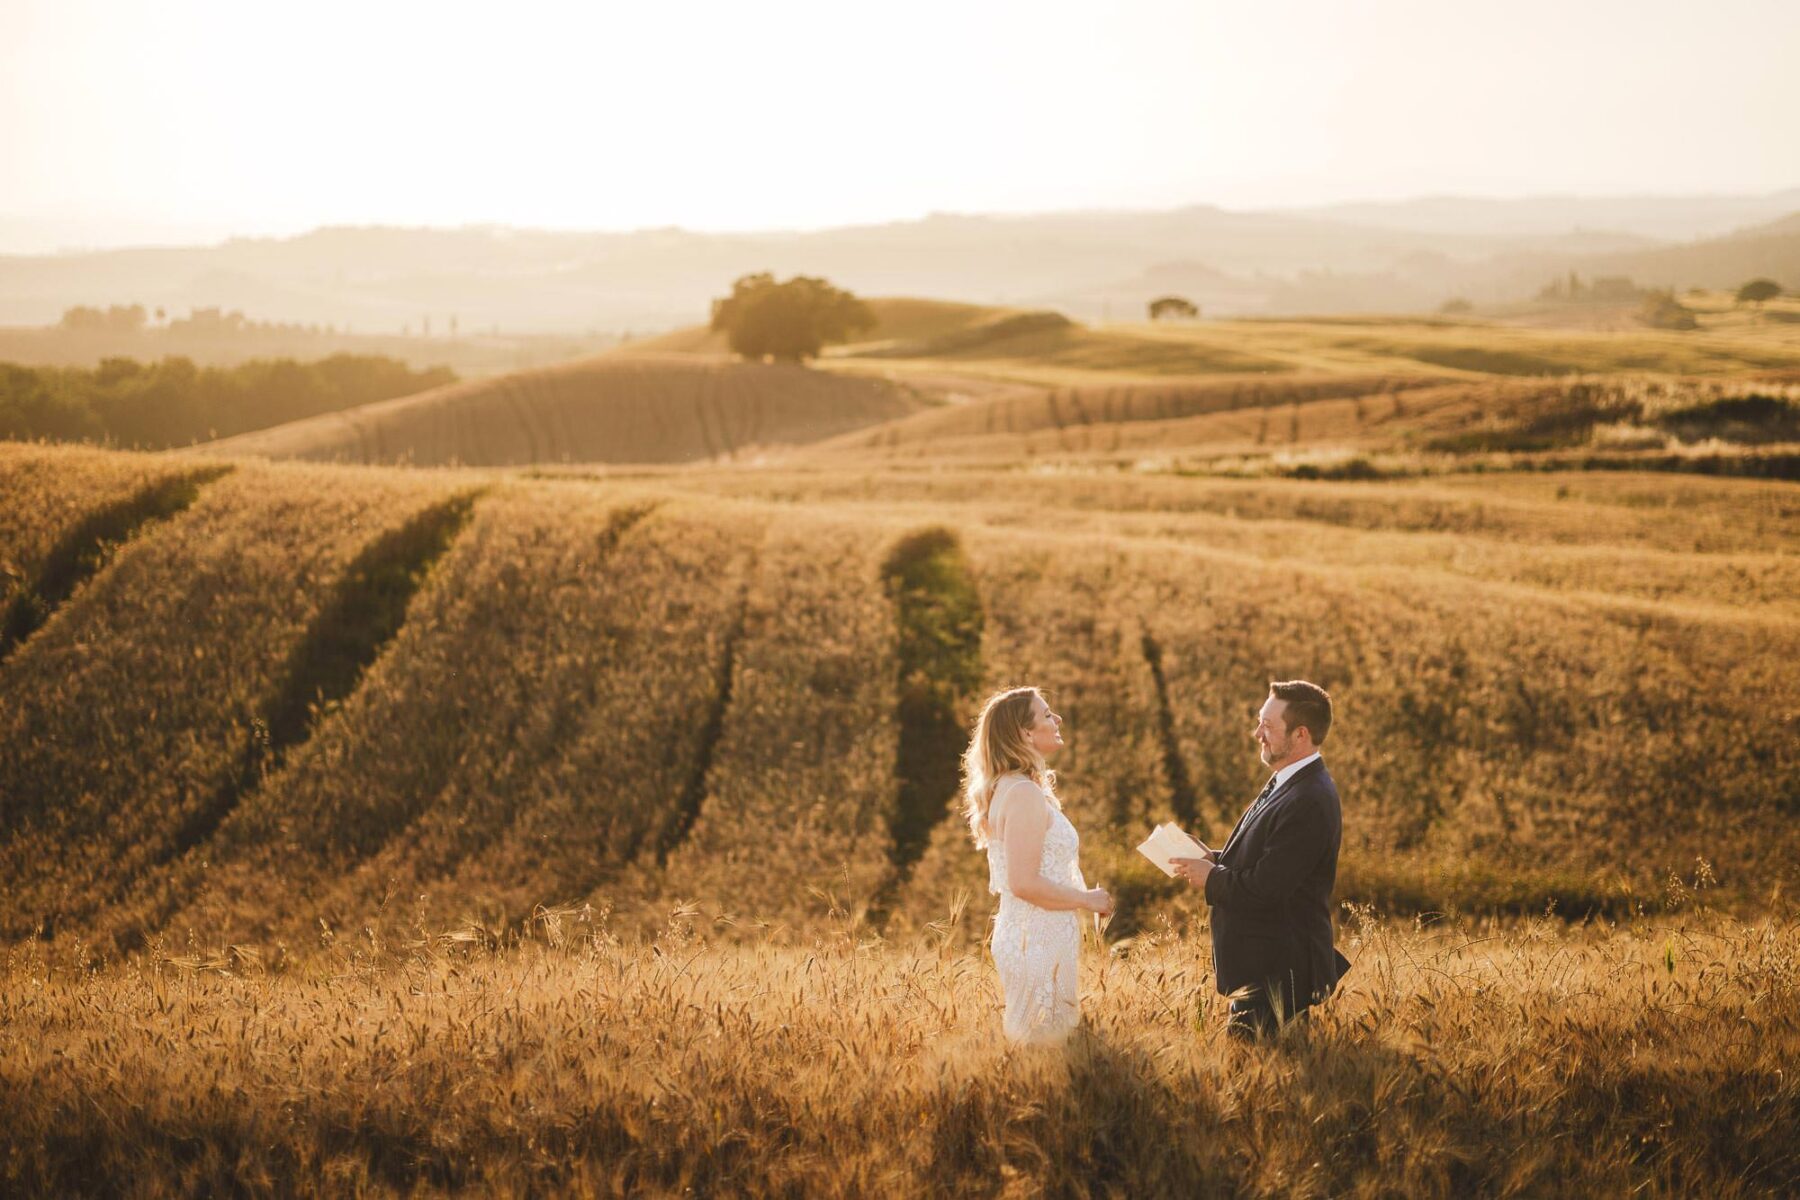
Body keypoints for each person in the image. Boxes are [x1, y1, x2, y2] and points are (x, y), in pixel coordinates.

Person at [1173, 680, 1351, 1042]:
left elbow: (1267, 889)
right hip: (1261, 969)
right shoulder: (1289, 782)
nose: (1258, 734)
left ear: (1301, 734)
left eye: (1268, 726)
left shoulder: (1308, 798)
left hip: (1277, 973)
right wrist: (1214, 857)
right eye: (1260, 722)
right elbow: (1270, 861)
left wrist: (1211, 877)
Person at [963, 685, 1113, 1044]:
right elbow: (1024, 882)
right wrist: (1086, 899)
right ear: (1025, 733)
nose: (1057, 719)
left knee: (1043, 1043)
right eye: (1047, 714)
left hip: (1037, 933)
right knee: (1044, 1045)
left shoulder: (1013, 788)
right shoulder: (1023, 794)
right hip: (1036, 938)